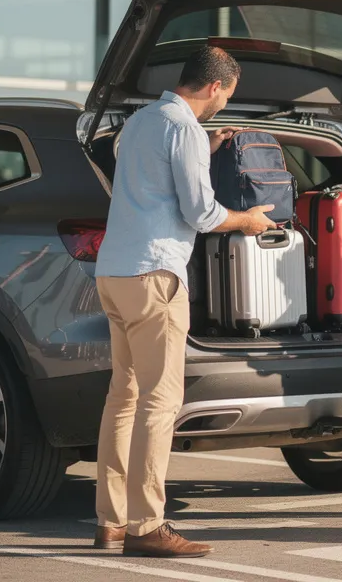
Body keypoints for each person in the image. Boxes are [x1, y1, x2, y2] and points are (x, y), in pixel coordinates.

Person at [93, 46, 276, 558]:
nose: (223, 104)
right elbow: (202, 213)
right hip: (155, 274)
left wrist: (207, 149)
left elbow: (149, 181)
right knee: (159, 400)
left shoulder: (140, 122)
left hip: (115, 271)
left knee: (122, 398)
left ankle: (111, 521)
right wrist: (249, 220)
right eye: (227, 95)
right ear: (216, 86)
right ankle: (147, 526)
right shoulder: (185, 130)